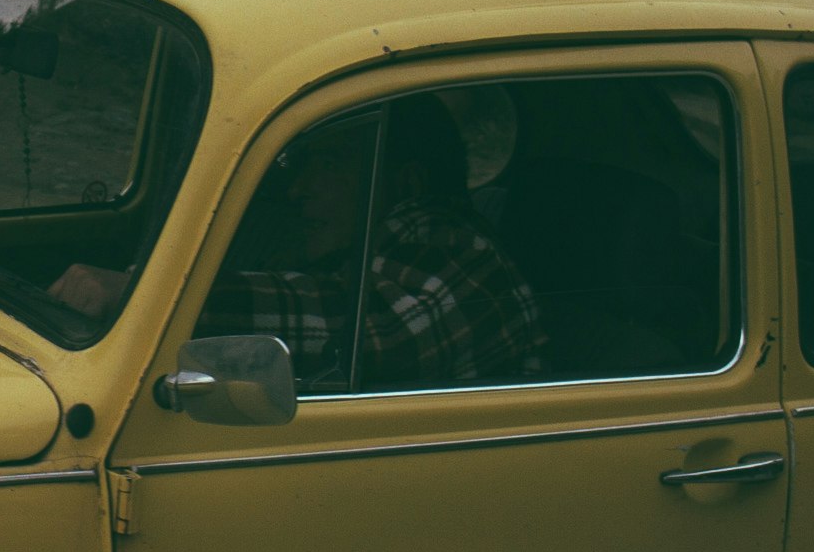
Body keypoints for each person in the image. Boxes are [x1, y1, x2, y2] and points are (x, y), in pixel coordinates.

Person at [50, 95, 544, 392]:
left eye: (328, 163)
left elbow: (369, 330)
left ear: (406, 182)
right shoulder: (367, 250)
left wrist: (153, 296)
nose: (298, 189)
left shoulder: (459, 251)